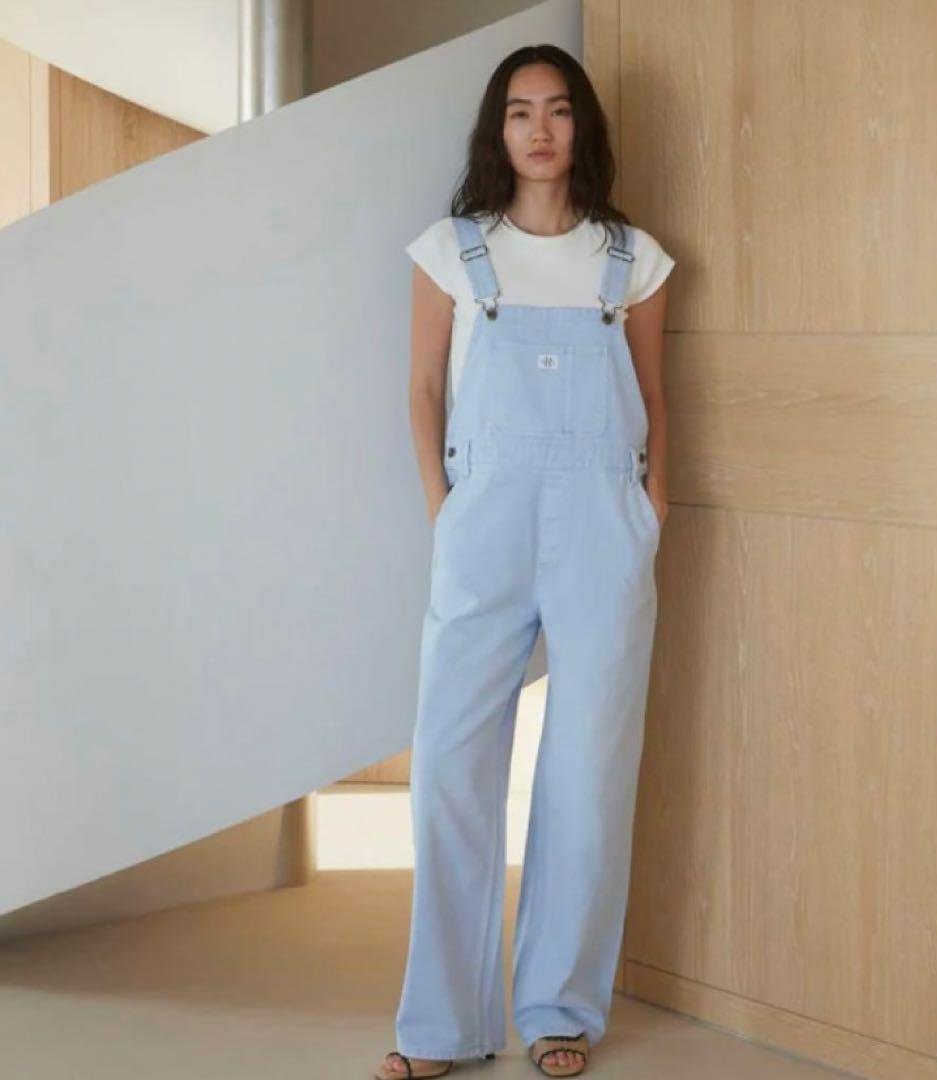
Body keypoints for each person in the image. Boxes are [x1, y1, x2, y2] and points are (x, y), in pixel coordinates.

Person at [376, 43, 675, 1080]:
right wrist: (443, 509)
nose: (538, 130)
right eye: (518, 111)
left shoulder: (631, 259)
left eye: (556, 109)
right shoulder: (451, 250)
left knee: (588, 771)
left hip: (602, 521)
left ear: (581, 125)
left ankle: (558, 1012)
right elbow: (422, 391)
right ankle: (440, 1027)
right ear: (495, 130)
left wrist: (653, 507)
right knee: (450, 768)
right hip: (484, 521)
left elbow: (655, 397)